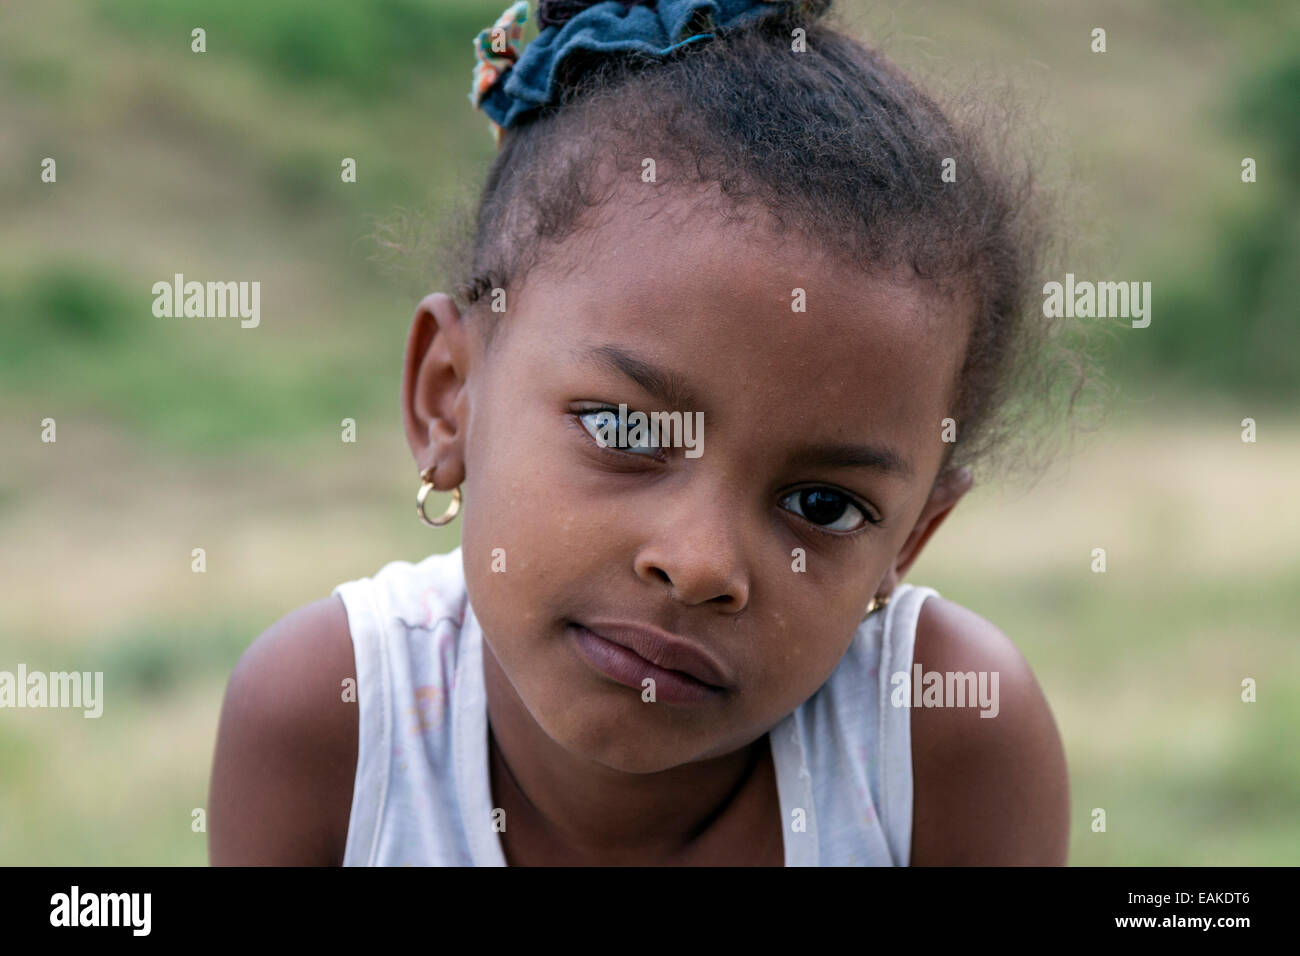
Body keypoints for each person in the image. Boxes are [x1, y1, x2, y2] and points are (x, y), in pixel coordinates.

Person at [209, 0, 1081, 866]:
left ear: (912, 539)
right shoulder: (338, 724)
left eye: (824, 505)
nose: (700, 564)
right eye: (624, 428)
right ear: (449, 397)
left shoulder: (939, 738)